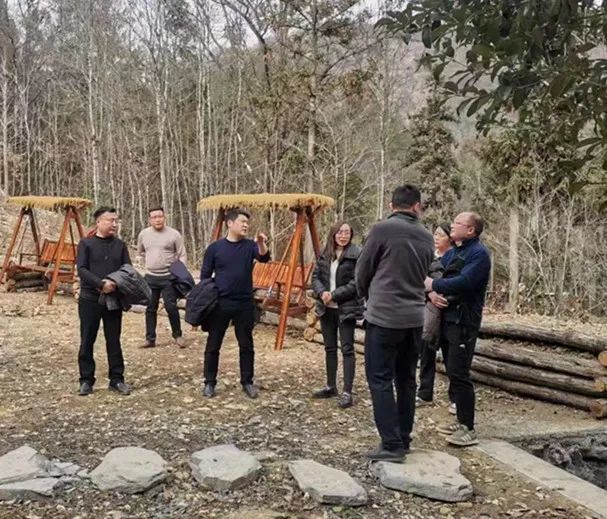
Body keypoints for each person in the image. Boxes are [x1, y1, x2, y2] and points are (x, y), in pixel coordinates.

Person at [356, 185, 434, 462]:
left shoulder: (381, 230)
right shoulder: (427, 236)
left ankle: (390, 445)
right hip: (414, 317)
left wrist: (368, 295)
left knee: (379, 378)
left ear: (392, 206)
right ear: (416, 206)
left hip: (384, 317)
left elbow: (362, 270)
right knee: (406, 379)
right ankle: (403, 437)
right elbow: (425, 273)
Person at [426, 212, 491, 447]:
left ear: (471, 230)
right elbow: (432, 271)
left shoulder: (479, 255)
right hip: (446, 319)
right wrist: (431, 293)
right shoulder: (454, 251)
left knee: (460, 372)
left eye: (457, 223)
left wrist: (435, 285)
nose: (452, 226)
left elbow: (465, 282)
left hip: (464, 322)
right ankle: (461, 420)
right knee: (451, 370)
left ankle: (468, 428)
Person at [200, 208, 270, 399]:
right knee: (213, 344)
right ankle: (209, 382)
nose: (245, 225)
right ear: (229, 224)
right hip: (221, 303)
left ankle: (247, 381)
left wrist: (261, 243)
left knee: (246, 345)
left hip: (244, 303)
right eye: (242, 221)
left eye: (247, 222)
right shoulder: (215, 248)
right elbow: (205, 276)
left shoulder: (250, 246)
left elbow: (264, 257)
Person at [76, 206, 132, 396]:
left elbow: (127, 269)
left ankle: (117, 379)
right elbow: (82, 269)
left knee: (114, 340)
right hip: (90, 298)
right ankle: (86, 380)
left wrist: (115, 283)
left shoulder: (120, 245)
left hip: (113, 299)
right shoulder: (86, 244)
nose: (114, 224)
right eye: (110, 220)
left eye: (116, 220)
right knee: (87, 339)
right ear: (98, 222)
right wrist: (100, 284)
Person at [311, 221, 364, 409]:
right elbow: (315, 277)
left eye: (347, 232)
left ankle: (347, 391)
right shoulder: (325, 253)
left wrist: (333, 295)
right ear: (333, 234)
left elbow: (356, 283)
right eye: (340, 232)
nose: (343, 235)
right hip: (327, 308)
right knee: (329, 348)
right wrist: (322, 293)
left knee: (348, 349)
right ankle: (330, 385)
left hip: (346, 308)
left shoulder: (357, 254)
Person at [417, 223, 455, 411]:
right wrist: (429, 294)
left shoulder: (455, 257)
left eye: (441, 234)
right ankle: (425, 393)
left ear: (450, 237)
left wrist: (439, 292)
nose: (436, 237)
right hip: (429, 312)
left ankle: (455, 398)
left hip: (450, 311)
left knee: (451, 356)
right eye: (435, 234)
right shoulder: (428, 257)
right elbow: (417, 280)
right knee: (426, 351)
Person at [137, 206, 187, 348]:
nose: (157, 219)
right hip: (150, 277)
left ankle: (178, 335)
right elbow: (140, 252)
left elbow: (182, 254)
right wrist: (140, 261)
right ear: (150, 220)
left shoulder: (174, 234)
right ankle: (150, 339)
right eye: (154, 217)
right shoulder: (144, 234)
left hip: (168, 277)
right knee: (150, 308)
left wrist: (180, 272)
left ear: (165, 217)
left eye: (160, 216)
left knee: (171, 307)